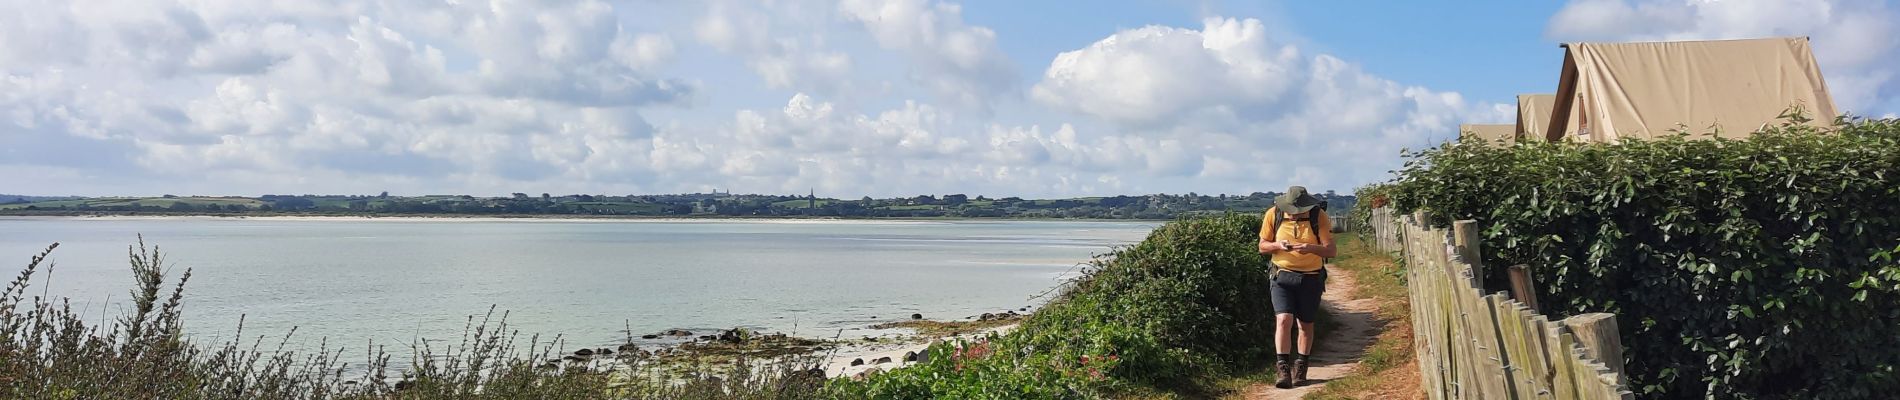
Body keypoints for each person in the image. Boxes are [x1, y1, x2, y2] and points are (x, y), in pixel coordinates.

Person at [1257, 186, 1336, 389]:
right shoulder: (1273, 214)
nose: (1293, 214)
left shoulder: (1319, 216)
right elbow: (1262, 245)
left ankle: (1301, 366)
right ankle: (1283, 368)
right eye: (1290, 209)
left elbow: (1331, 250)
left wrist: (1310, 248)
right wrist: (1278, 245)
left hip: (1311, 279)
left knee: (1305, 324)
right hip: (1281, 276)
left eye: (1298, 210)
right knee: (1283, 320)